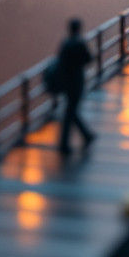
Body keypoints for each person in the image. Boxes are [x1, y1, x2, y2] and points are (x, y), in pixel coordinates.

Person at [57, 17, 96, 155]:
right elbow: (89, 58)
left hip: (67, 82)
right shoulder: (80, 44)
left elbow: (60, 62)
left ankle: (69, 142)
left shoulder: (65, 44)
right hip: (77, 81)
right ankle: (82, 137)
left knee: (70, 111)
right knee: (71, 111)